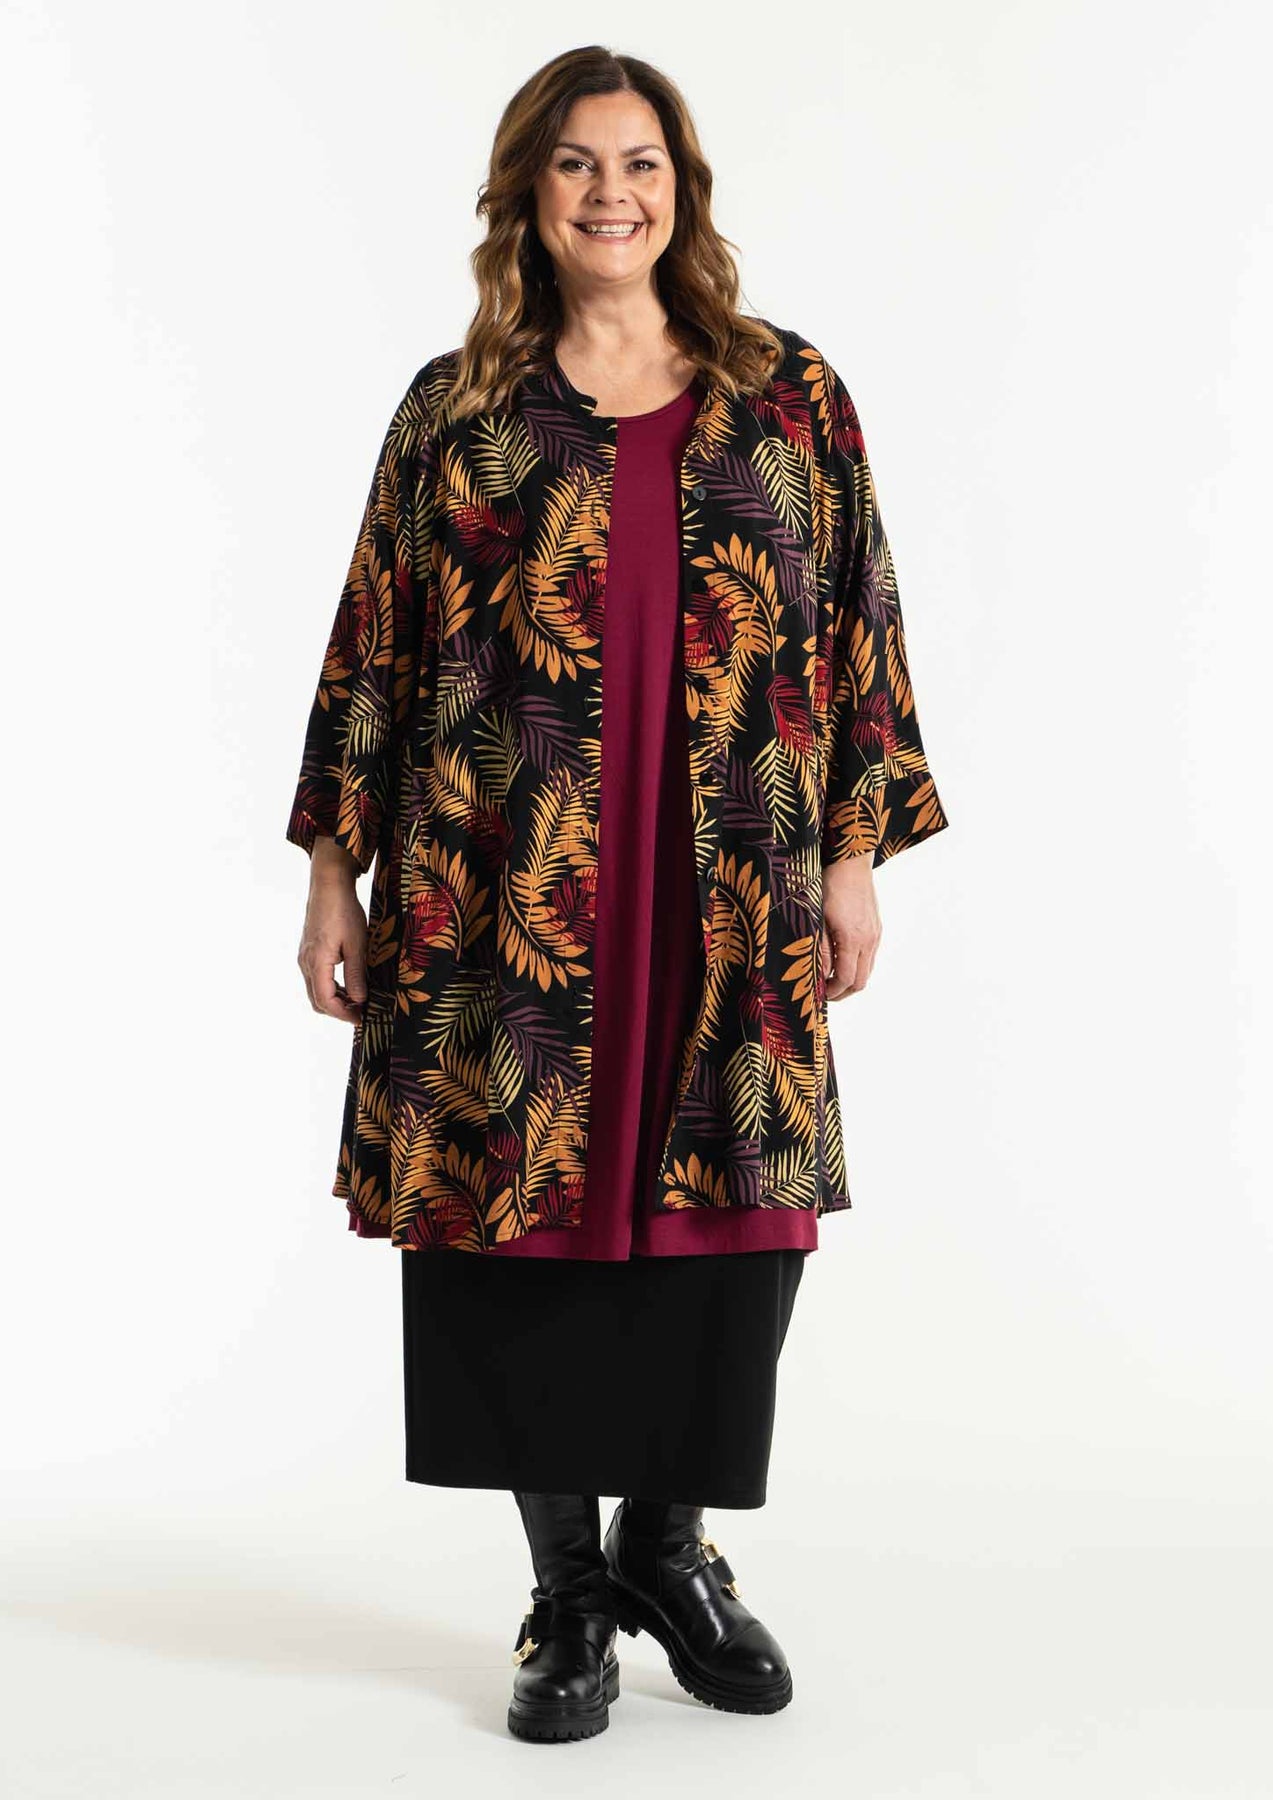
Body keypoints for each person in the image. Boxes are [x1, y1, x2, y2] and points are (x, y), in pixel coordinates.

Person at [287, 46, 950, 1744]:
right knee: (516, 1219)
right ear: (528, 194)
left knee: (735, 1218)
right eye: (575, 164)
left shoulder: (787, 396)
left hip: (730, 882)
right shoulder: (457, 409)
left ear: (681, 187)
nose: (609, 193)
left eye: (638, 162)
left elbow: (857, 623)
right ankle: (566, 1591)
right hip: (500, 886)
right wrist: (332, 872)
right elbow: (375, 642)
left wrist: (850, 853)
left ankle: (669, 1549)